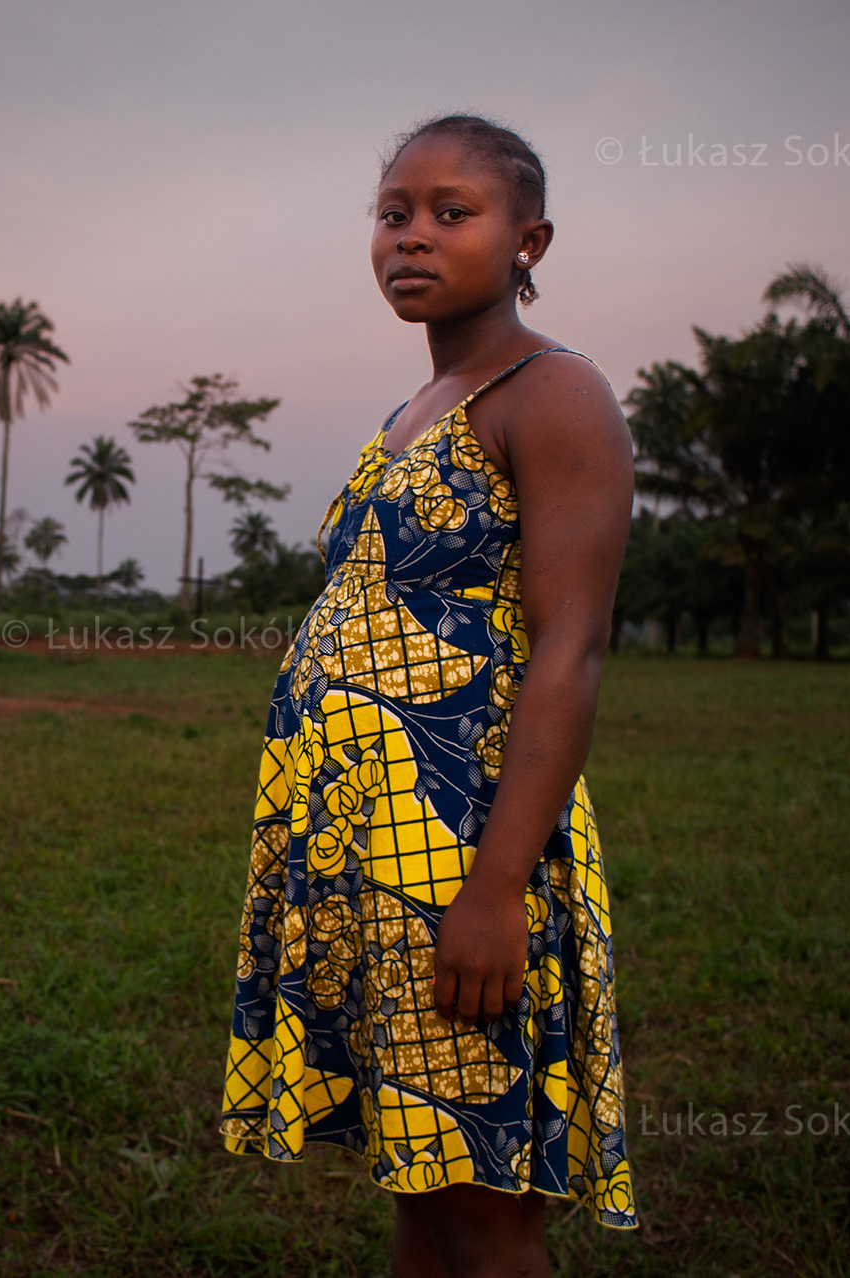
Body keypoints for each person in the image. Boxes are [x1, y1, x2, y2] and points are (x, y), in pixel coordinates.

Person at [219, 114, 638, 1276]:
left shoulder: (552, 395)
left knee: (486, 1207)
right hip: (366, 857)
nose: (411, 236)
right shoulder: (416, 409)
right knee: (420, 1181)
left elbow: (571, 650)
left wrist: (496, 888)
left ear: (528, 239)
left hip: (458, 853)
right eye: (393, 213)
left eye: (452, 213)